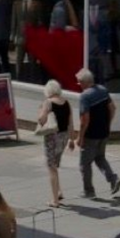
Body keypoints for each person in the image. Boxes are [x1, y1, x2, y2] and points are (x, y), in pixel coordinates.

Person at [73, 68, 120, 199]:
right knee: (100, 157)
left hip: (91, 135)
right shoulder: (103, 90)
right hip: (103, 132)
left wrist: (80, 137)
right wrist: (108, 125)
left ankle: (89, 191)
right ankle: (113, 179)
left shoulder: (85, 96)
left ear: (84, 82)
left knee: (85, 164)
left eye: (79, 82)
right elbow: (112, 108)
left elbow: (85, 120)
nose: (79, 85)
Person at [36, 78, 74, 207]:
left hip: (52, 138)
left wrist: (40, 110)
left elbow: (41, 120)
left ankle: (55, 200)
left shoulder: (48, 103)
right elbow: (71, 124)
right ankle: (59, 192)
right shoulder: (67, 103)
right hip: (64, 138)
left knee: (51, 168)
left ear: (48, 91)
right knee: (55, 166)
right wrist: (72, 140)